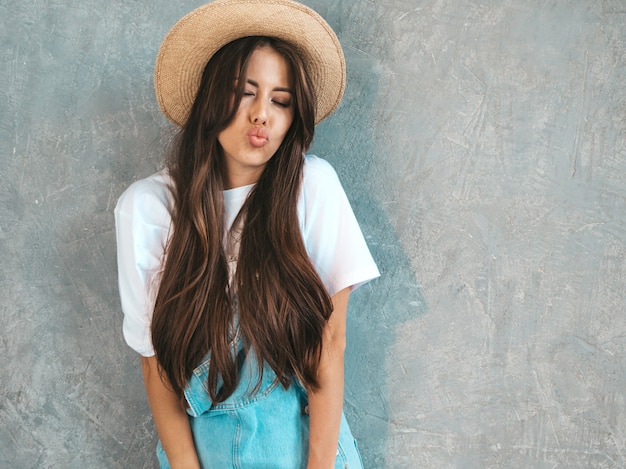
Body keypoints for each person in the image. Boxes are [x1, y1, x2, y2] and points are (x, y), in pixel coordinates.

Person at [114, 0, 379, 467]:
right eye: (245, 93)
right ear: (212, 96)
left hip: (307, 450)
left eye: (281, 101)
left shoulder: (311, 186)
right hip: (203, 451)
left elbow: (330, 341)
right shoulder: (150, 207)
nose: (263, 115)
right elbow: (155, 363)